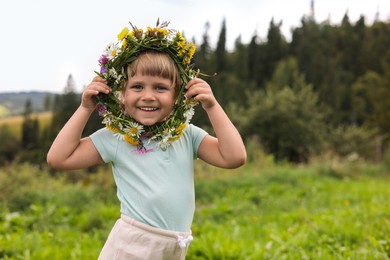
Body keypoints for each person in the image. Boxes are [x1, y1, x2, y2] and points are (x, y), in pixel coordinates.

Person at [47, 20, 246, 260]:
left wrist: (212, 106)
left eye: (160, 88)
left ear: (177, 95)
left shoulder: (186, 134)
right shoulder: (117, 138)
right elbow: (58, 158)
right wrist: (85, 109)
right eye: (137, 87)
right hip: (131, 247)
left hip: (173, 248)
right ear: (122, 93)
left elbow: (235, 157)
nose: (148, 96)